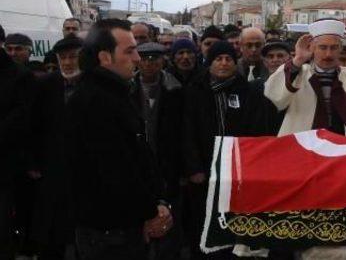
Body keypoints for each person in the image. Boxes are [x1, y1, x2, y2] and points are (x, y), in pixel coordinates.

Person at [67, 19, 171, 260]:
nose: (137, 58)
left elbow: (139, 156)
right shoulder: (93, 102)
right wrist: (151, 211)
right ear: (105, 57)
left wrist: (159, 201)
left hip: (123, 227)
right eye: (129, 51)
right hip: (110, 233)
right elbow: (117, 170)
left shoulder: (115, 93)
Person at [182, 41, 262, 259]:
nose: (224, 63)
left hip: (237, 168)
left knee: (233, 219)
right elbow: (187, 131)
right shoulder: (195, 90)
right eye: (218, 59)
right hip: (204, 169)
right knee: (203, 217)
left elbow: (254, 128)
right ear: (209, 63)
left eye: (228, 59)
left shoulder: (246, 90)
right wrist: (193, 167)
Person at [264, 19, 346, 137]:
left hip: (342, 144)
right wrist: (298, 60)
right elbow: (275, 96)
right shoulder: (299, 73)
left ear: (340, 49)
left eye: (334, 48)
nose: (328, 54)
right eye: (323, 47)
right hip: (303, 145)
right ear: (313, 48)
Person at [28, 36, 83, 259]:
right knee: (52, 229)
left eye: (73, 57)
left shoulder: (95, 84)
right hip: (52, 166)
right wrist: (32, 161)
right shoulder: (45, 85)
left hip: (85, 169)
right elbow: (32, 125)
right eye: (63, 58)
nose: (68, 63)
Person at [130, 43, 184, 260]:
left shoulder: (176, 89)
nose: (149, 63)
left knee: (170, 224)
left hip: (168, 162)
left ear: (163, 61)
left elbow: (183, 130)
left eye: (155, 58)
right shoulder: (127, 88)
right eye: (144, 58)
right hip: (137, 164)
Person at [0, 24, 35, 260]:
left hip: (7, 164)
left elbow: (21, 120)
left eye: (17, 48)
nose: (13, 52)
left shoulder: (19, 75)